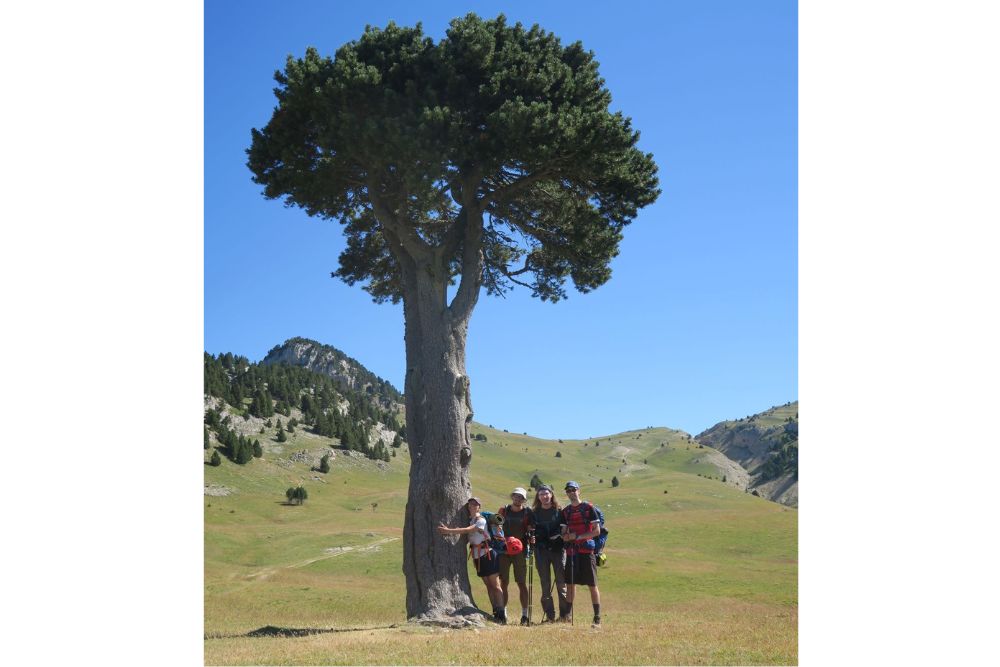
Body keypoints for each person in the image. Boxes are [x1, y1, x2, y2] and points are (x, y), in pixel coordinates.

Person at [437, 496, 507, 623]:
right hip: (478, 556)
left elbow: (469, 530)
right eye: (470, 505)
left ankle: (502, 613)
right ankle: (496, 612)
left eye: (475, 504)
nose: (472, 507)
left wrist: (448, 531)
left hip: (488, 554)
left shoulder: (481, 520)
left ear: (479, 506)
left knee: (495, 585)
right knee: (488, 586)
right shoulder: (471, 520)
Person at [561, 480, 603, 627]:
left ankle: (597, 618)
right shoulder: (565, 512)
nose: (571, 492)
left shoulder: (589, 508)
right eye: (568, 490)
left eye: (573, 489)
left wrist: (577, 537)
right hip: (572, 551)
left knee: (592, 584)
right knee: (570, 584)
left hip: (587, 551)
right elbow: (563, 533)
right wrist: (566, 536)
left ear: (579, 491)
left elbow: (597, 531)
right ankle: (567, 615)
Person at [531, 484, 571, 623]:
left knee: (561, 583)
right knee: (545, 584)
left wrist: (561, 536)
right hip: (541, 551)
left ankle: (565, 615)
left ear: (551, 495)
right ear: (538, 497)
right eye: (541, 494)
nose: (544, 496)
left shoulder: (560, 512)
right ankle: (550, 616)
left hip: (558, 550)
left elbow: (565, 530)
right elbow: (530, 531)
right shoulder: (534, 513)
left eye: (546, 493)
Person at [497, 487, 535, 625]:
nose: (518, 499)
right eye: (516, 496)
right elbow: (496, 526)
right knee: (504, 583)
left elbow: (531, 529)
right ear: (512, 496)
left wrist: (532, 537)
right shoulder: (504, 510)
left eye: (520, 497)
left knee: (521, 583)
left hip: (520, 551)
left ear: (523, 499)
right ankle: (503, 613)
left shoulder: (527, 512)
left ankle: (524, 615)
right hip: (504, 551)